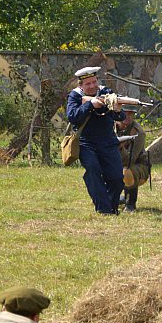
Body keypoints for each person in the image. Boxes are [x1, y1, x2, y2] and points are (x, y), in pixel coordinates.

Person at [65, 66, 127, 214]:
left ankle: (111, 207)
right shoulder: (75, 96)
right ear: (81, 85)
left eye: (94, 82)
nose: (92, 86)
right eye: (88, 84)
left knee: (117, 178)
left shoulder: (106, 92)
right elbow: (72, 116)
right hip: (86, 143)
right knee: (93, 170)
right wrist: (89, 105)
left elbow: (121, 118)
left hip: (108, 142)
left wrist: (117, 110)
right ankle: (104, 209)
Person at [115, 108, 151, 213]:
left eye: (130, 114)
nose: (127, 116)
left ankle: (130, 203)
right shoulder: (109, 127)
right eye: (124, 113)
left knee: (127, 172)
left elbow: (130, 161)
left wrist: (120, 148)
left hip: (139, 166)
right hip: (116, 163)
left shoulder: (138, 132)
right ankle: (114, 197)